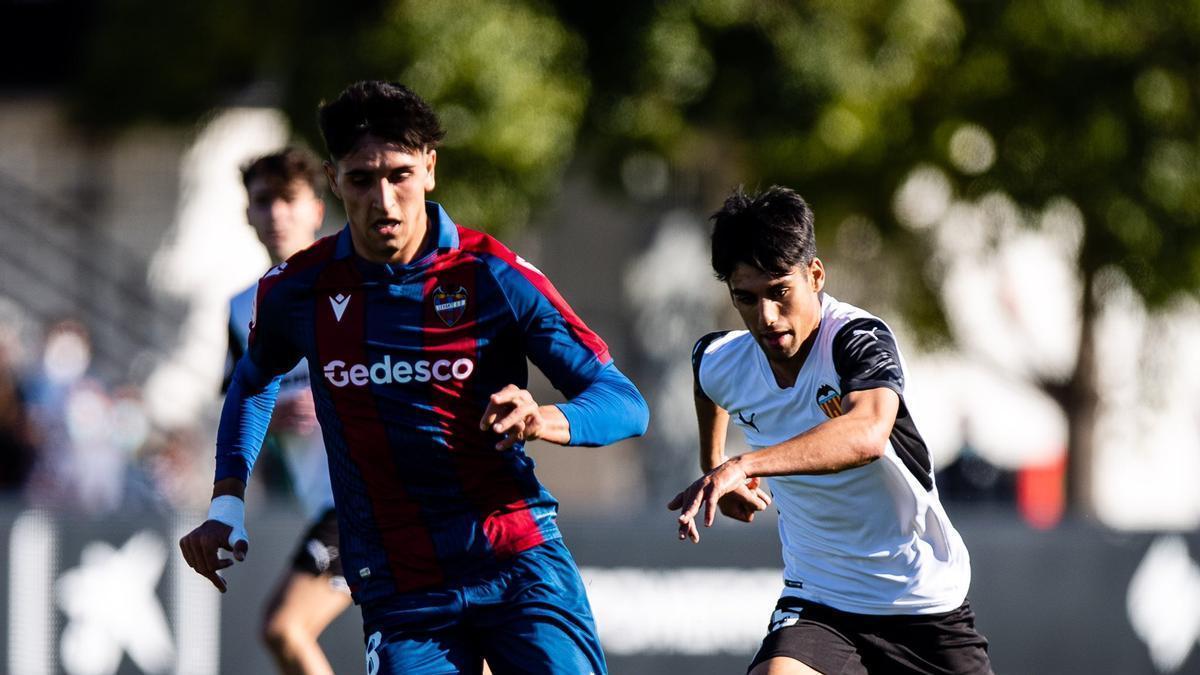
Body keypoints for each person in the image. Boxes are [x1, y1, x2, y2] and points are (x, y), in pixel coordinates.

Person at [180, 80, 649, 675]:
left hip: (516, 563)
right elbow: (251, 381)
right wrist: (227, 501)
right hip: (402, 589)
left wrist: (545, 417)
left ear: (429, 168)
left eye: (400, 174)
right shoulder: (294, 290)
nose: (384, 200)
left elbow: (624, 402)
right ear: (333, 180)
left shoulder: (491, 274)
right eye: (361, 179)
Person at [669, 186, 991, 675]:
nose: (766, 317)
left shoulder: (856, 339)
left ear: (815, 275)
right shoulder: (724, 360)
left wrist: (742, 464)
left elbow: (866, 434)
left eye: (780, 292)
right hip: (821, 603)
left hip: (922, 602)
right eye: (746, 298)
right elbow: (703, 379)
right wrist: (712, 463)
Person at [225, 147, 351, 675]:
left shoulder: (351, 282)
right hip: (326, 501)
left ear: (316, 209)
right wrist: (272, 417)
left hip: (371, 493)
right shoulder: (241, 307)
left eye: (288, 199)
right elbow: (233, 401)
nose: (276, 212)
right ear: (247, 214)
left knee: (285, 626)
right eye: (262, 201)